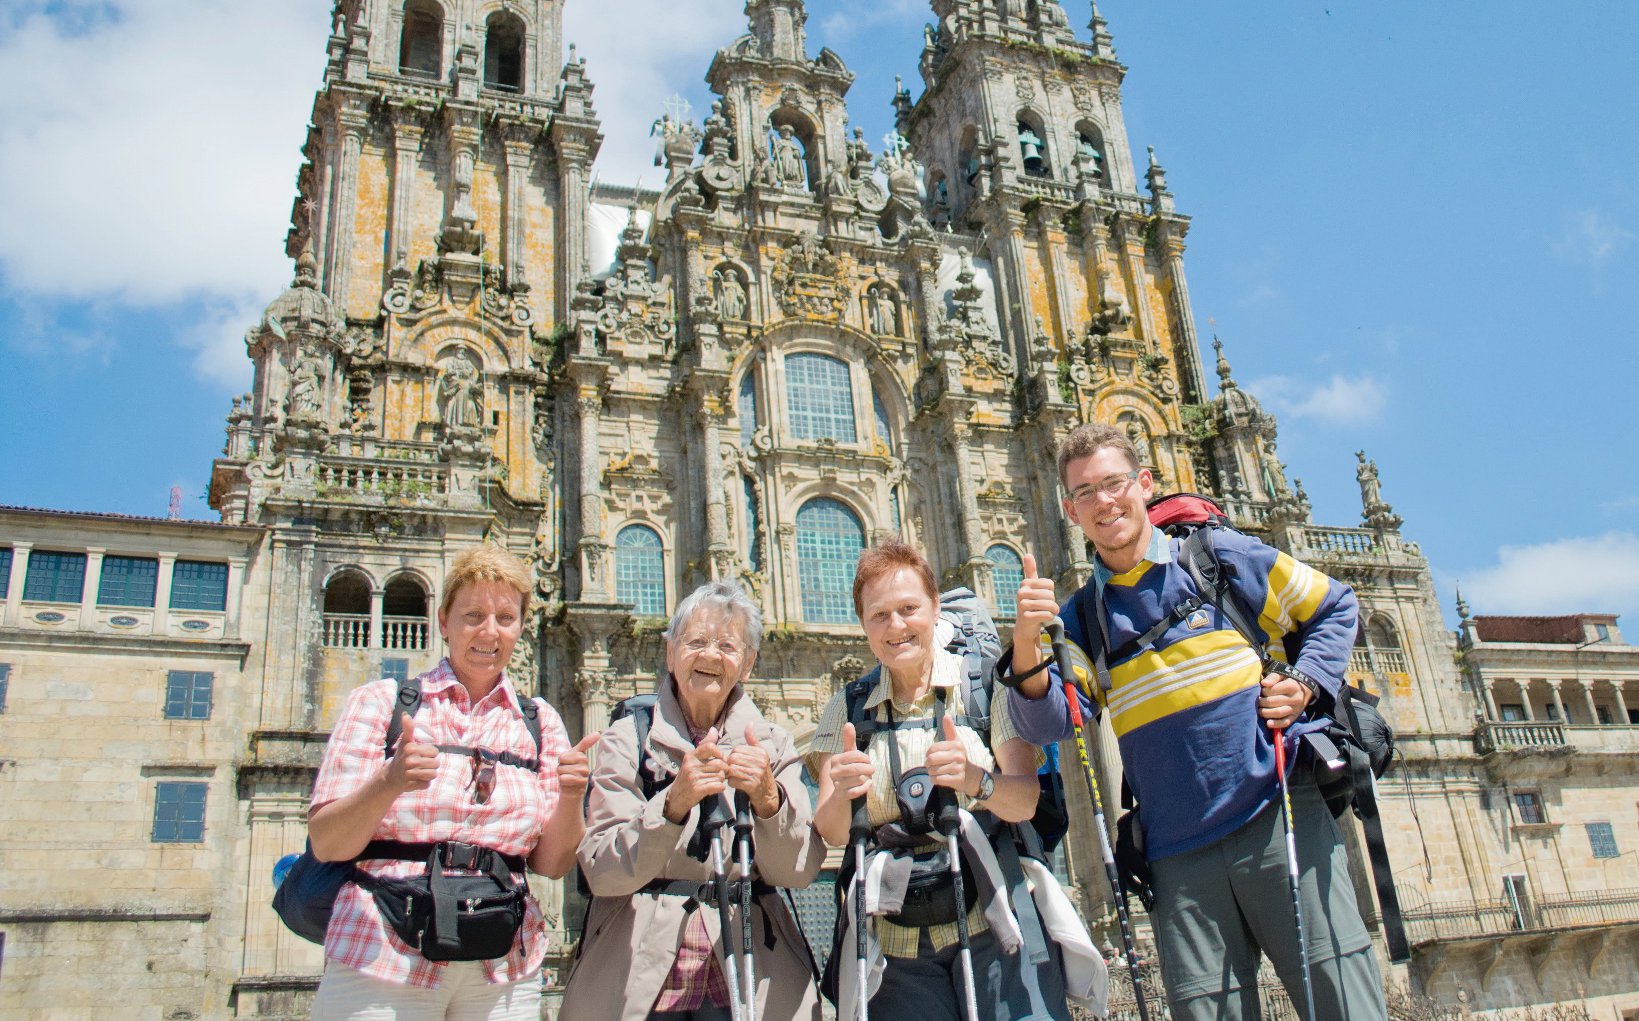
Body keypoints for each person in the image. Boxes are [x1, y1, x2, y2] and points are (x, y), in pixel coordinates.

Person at [1005, 423, 1386, 1020]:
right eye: (1085, 493)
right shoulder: (1084, 618)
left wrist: (1307, 683)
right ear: (1069, 510)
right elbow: (1053, 722)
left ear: (1144, 483)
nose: (1104, 501)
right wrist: (1027, 647)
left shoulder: (1218, 558)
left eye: (1114, 483)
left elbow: (1336, 604)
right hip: (1178, 856)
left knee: (1342, 1001)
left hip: (1278, 815)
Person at [306, 545, 595, 1020]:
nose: (489, 631)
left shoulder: (540, 722)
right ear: (443, 621)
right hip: (383, 957)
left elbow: (552, 863)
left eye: (505, 616)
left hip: (501, 964)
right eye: (473, 615)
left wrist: (571, 796)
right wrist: (389, 781)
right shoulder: (381, 704)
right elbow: (327, 842)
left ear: (521, 624)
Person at [808, 539, 1061, 1021]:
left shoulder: (983, 686)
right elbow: (833, 833)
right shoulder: (846, 708)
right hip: (898, 943)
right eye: (879, 614)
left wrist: (975, 780)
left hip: (996, 921)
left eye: (908, 608)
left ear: (935, 608)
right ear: (862, 624)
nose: (896, 626)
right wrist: (841, 792)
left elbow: (1026, 800)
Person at [563, 581, 824, 1021]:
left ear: (748, 663)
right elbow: (602, 870)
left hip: (748, 975)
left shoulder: (775, 745)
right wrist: (672, 804)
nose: (710, 656)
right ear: (670, 652)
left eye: (727, 645)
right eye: (696, 641)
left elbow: (797, 871)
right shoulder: (627, 740)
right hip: (643, 979)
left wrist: (767, 800)